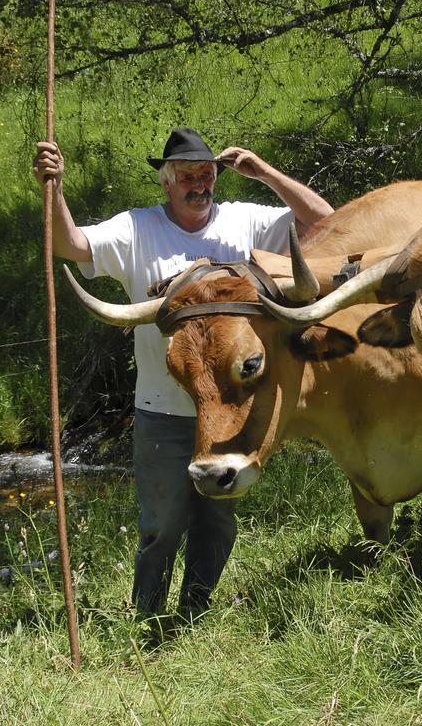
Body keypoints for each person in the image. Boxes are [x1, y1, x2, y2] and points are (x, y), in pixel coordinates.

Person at [33, 127, 333, 627]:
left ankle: (195, 610)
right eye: (188, 176)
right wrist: (55, 187)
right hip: (161, 408)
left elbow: (326, 221)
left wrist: (264, 173)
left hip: (233, 409)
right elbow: (71, 246)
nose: (200, 184)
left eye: (207, 174)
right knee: (163, 522)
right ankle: (147, 615)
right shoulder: (137, 229)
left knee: (217, 518)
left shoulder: (247, 221)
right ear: (166, 183)